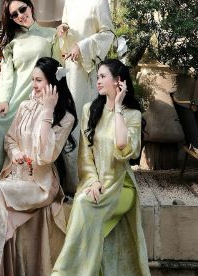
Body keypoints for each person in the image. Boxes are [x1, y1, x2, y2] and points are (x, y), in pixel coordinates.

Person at [0, 57, 77, 275]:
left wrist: (48, 112)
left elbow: (45, 156)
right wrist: (15, 153)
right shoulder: (25, 106)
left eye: (39, 80)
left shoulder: (66, 118)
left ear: (53, 83)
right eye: (33, 80)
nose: (33, 85)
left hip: (40, 185)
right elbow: (10, 138)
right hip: (15, 177)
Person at [52, 60, 149, 275]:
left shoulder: (132, 114)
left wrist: (118, 108)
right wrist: (93, 180)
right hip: (95, 181)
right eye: (97, 77)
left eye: (103, 76)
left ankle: (64, 272)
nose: (98, 81)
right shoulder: (90, 109)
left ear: (118, 82)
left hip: (121, 186)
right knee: (83, 200)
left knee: (86, 205)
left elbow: (124, 147)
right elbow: (85, 153)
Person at [57, 0, 117, 193]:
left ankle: (90, 180)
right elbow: (66, 30)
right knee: (68, 119)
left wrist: (81, 47)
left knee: (86, 120)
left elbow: (107, 33)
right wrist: (62, 31)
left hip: (88, 69)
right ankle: (69, 182)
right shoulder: (69, 1)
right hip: (70, 68)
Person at [0, 0, 58, 176]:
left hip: (39, 98)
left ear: (31, 7)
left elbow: (58, 69)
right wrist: (3, 99)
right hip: (14, 97)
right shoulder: (12, 40)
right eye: (14, 14)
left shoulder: (50, 35)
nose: (20, 15)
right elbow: (7, 74)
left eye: (22, 9)